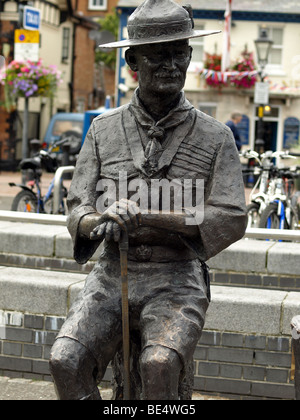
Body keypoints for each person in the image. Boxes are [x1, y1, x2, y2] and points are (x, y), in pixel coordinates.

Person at [49, 0, 248, 400]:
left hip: (178, 278)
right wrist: (100, 219)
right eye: (158, 56)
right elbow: (77, 209)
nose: (171, 66)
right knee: (65, 360)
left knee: (158, 366)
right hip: (112, 274)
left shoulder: (216, 136)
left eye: (179, 54)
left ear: (190, 56)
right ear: (133, 60)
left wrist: (150, 217)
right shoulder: (102, 130)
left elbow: (231, 216)